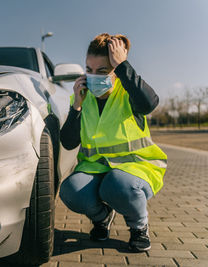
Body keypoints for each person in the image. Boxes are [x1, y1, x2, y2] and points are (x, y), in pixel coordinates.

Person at [59, 33, 167, 252]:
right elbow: (69, 142)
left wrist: (122, 65)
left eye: (102, 71)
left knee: (116, 185)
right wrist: (76, 107)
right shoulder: (81, 96)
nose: (93, 77)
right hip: (95, 169)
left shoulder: (129, 92)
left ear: (116, 72)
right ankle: (102, 217)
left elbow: (150, 103)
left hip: (135, 170)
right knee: (70, 191)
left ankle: (139, 227)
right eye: (89, 70)